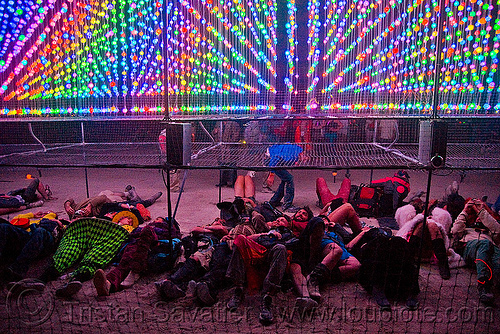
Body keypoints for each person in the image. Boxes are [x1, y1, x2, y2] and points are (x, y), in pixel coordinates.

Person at [35, 216, 136, 298]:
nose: (130, 222)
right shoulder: (105, 215)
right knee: (67, 252)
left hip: (110, 234)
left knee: (96, 256)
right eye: (128, 219)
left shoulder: (126, 230)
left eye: (132, 222)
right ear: (120, 218)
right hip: (83, 228)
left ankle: (76, 280)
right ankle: (41, 279)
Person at [93, 217, 182, 296]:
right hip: (136, 247)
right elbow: (133, 233)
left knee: (147, 230)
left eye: (158, 219)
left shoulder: (166, 229)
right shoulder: (142, 228)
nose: (155, 220)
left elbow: (173, 238)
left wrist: (152, 230)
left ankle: (136, 268)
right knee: (124, 265)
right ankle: (108, 284)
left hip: (154, 247)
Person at [451, 198, 500, 304]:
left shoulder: (490, 231)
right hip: (471, 248)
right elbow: (454, 231)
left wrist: (481, 212)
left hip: (491, 249)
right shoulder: (466, 229)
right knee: (484, 244)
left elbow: (498, 230)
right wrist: (465, 211)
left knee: (497, 256)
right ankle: (483, 285)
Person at [0, 211, 66, 281]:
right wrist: (32, 215)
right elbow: (16, 219)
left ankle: (17, 270)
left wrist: (57, 222)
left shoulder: (55, 221)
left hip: (46, 239)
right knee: (4, 226)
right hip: (29, 237)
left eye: (49, 212)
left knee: (39, 231)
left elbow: (65, 231)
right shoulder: (32, 220)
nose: (46, 213)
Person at [396, 199, 452, 279]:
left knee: (432, 226)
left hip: (430, 252)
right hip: (414, 248)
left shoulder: (433, 223)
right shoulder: (413, 221)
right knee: (422, 224)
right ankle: (408, 259)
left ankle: (443, 261)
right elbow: (412, 224)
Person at [267, 143, 304, 213]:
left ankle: (274, 201)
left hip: (272, 156)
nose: (305, 159)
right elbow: (275, 159)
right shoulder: (293, 153)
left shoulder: (294, 149)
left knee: (286, 179)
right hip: (271, 161)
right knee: (289, 179)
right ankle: (287, 206)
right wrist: (271, 174)